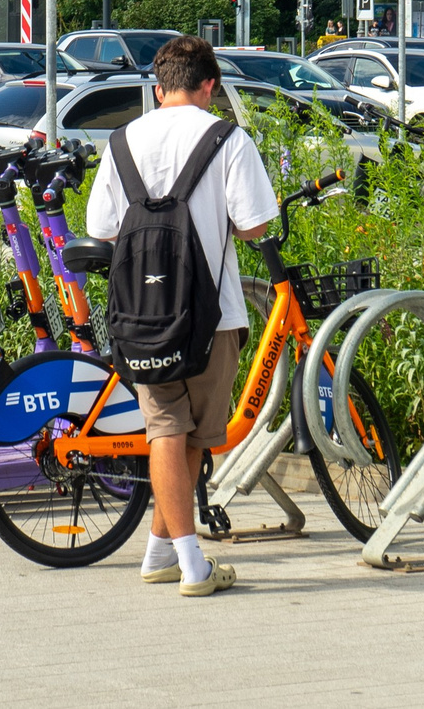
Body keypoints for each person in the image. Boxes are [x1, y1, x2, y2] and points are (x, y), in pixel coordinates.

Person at [86, 33, 278, 597]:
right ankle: (194, 565)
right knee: (184, 434)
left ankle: (158, 551)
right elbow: (255, 227)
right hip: (211, 317)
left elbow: (102, 228)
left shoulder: (122, 141)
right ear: (209, 84)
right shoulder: (227, 139)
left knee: (173, 428)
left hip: (141, 315)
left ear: (158, 84)